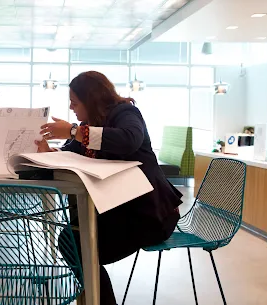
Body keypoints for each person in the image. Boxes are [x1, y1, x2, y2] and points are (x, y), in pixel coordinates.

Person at [35, 71, 183, 305]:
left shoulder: (125, 113)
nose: (71, 108)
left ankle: (96, 298)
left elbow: (128, 139)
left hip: (151, 215)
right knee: (74, 241)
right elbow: (71, 154)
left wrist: (74, 131)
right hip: (120, 212)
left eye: (74, 102)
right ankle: (94, 297)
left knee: (78, 245)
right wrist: (50, 153)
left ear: (90, 99)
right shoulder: (89, 125)